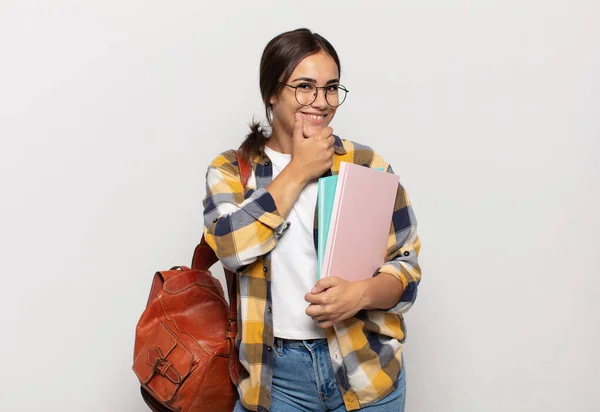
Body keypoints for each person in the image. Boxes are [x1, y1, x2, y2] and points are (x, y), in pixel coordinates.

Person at [203, 28, 421, 412]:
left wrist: (362, 294)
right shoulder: (232, 171)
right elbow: (230, 249)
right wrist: (300, 169)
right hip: (276, 380)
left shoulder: (365, 165)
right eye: (305, 87)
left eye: (331, 87)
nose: (320, 101)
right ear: (272, 92)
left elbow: (406, 271)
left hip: (365, 370)